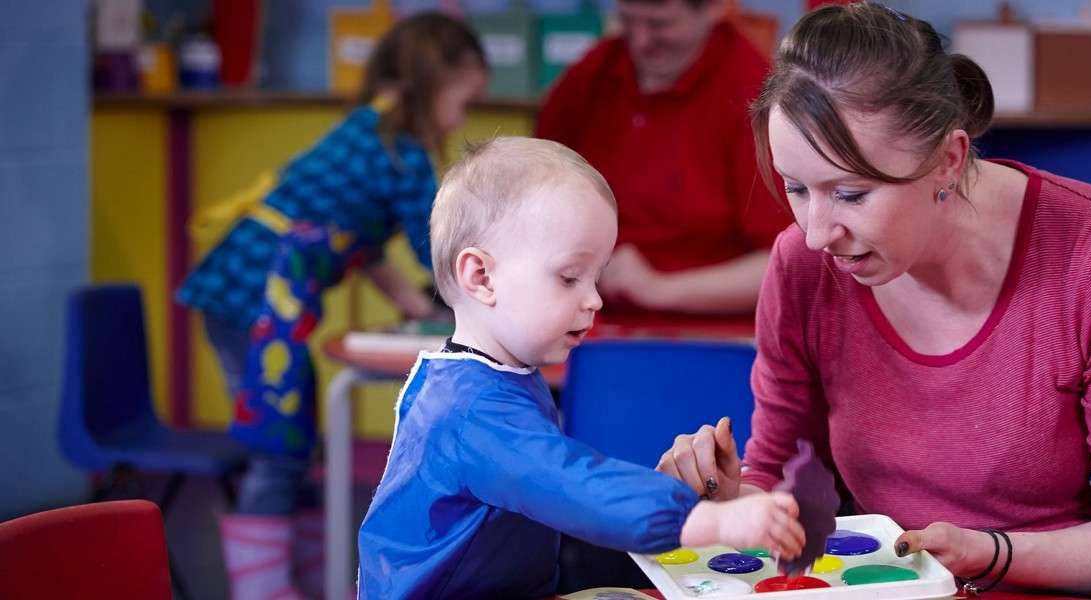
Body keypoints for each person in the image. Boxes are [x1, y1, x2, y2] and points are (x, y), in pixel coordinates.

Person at [656, 4, 1091, 599]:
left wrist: (989, 554)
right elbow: (783, 485)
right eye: (797, 188)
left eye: (850, 193)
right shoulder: (802, 264)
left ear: (949, 160)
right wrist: (726, 500)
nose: (818, 231)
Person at [356, 137, 804, 599]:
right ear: (481, 277)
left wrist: (659, 494)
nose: (594, 299)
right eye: (570, 277)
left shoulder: (489, 377)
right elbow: (568, 482)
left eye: (596, 276)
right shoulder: (472, 408)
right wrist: (707, 520)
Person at [175, 14, 488, 599]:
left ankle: (313, 580)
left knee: (294, 440)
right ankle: (263, 590)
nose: (463, 117)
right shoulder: (399, 150)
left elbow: (363, 244)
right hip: (252, 296)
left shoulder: (369, 134)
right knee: (278, 445)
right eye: (463, 101)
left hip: (252, 296)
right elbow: (438, 247)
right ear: (433, 82)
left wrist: (417, 300)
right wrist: (476, 296)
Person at [536, 0, 791, 322]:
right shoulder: (593, 73)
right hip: (583, 325)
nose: (640, 41)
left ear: (713, 9)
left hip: (705, 337)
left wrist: (657, 288)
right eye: (628, 21)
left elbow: (789, 262)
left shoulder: (755, 95)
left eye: (660, 25)